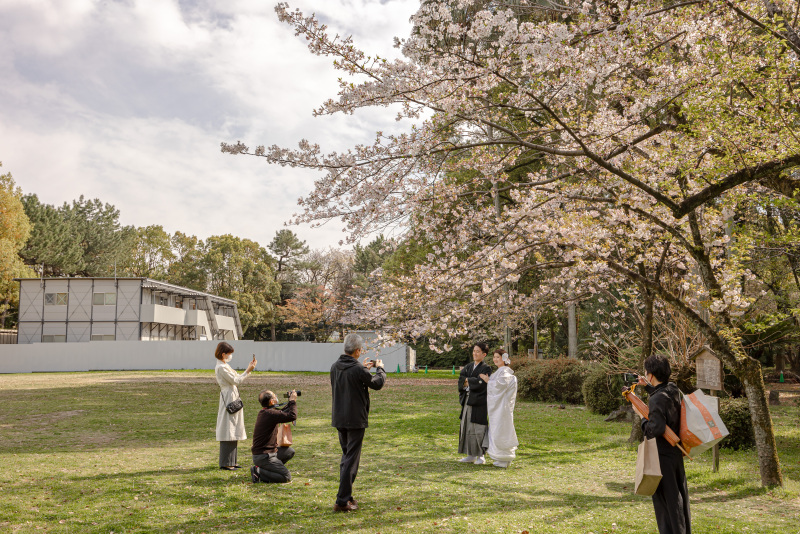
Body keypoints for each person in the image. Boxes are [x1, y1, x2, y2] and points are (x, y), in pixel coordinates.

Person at [330, 333, 386, 512]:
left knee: (347, 458)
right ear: (357, 351)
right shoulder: (357, 369)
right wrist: (380, 369)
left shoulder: (335, 367)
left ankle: (346, 495)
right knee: (351, 460)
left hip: (339, 417)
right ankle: (341, 500)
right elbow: (376, 384)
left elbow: (350, 380)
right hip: (355, 419)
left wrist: (363, 369)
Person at [638, 354, 691, 534]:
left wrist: (642, 420)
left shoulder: (656, 399)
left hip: (662, 458)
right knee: (679, 498)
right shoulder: (673, 389)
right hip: (675, 454)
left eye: (646, 371)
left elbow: (656, 429)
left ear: (651, 374)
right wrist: (648, 388)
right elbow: (661, 397)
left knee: (666, 503)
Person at [214, 342, 256, 470]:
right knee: (228, 428)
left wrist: (247, 370)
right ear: (223, 354)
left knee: (233, 428)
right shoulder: (221, 367)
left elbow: (236, 378)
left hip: (232, 395)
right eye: (229, 354)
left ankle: (232, 461)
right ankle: (226, 462)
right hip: (228, 397)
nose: (230, 356)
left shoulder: (225, 365)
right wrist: (248, 371)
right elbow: (236, 380)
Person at [479, 348, 518, 468]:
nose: (495, 359)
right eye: (494, 357)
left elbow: (498, 387)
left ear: (504, 359)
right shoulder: (500, 372)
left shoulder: (505, 373)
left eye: (498, 357)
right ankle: (500, 457)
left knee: (502, 430)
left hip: (502, 408)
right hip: (499, 407)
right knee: (497, 429)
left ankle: (504, 457)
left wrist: (487, 381)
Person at [250, 389, 298, 484]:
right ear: (272, 401)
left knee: (289, 451)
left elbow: (283, 412)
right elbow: (292, 415)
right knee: (286, 477)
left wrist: (290, 402)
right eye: (274, 396)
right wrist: (292, 401)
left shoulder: (266, 412)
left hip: (269, 453)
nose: (276, 397)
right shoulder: (270, 414)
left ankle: (270, 469)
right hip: (263, 456)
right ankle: (258, 472)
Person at [457, 342, 492, 464]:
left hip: (479, 402)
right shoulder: (468, 367)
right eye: (474, 351)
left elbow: (482, 385)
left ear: (484, 354)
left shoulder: (486, 368)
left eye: (478, 351)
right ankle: (470, 454)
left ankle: (481, 455)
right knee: (466, 426)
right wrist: (473, 381)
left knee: (478, 428)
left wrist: (468, 381)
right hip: (467, 400)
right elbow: (461, 381)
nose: (475, 353)